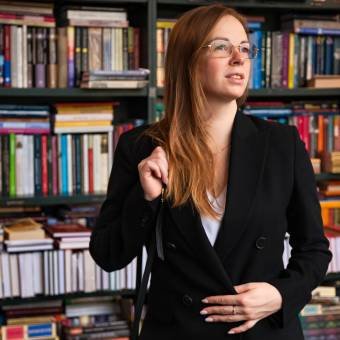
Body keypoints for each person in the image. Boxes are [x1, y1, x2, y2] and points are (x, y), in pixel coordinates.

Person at [89, 3, 332, 340]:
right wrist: (144, 197)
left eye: (245, 48)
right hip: (176, 331)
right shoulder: (140, 147)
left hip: (261, 332)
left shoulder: (282, 144)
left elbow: (314, 250)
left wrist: (279, 295)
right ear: (187, 60)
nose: (239, 58)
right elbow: (107, 255)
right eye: (221, 47)